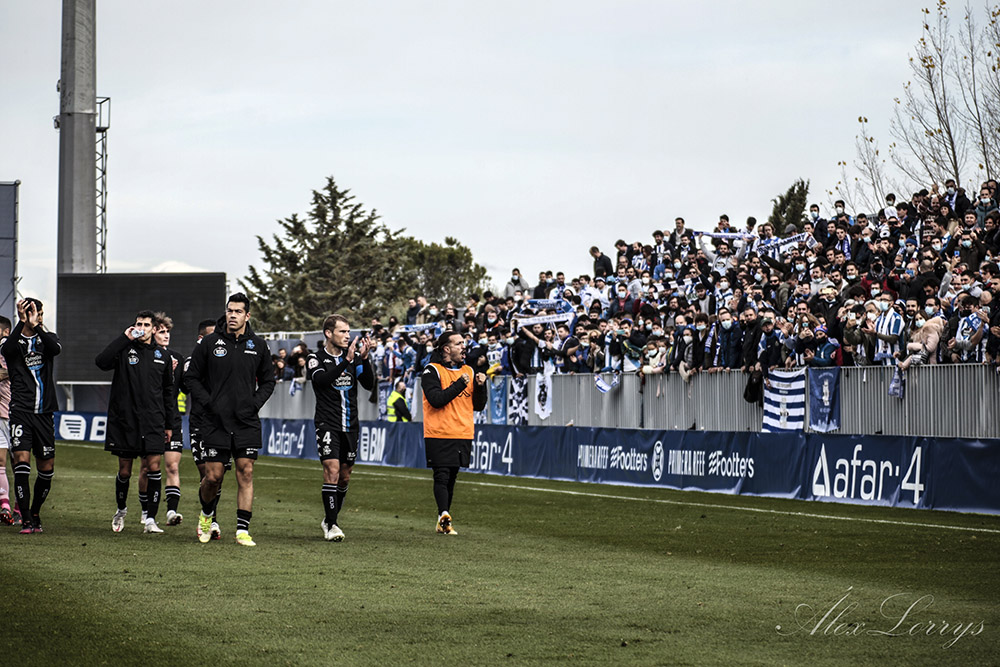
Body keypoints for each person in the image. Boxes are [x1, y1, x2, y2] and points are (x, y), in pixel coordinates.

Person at [184, 294, 275, 546]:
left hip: (246, 421)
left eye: (238, 311)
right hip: (215, 422)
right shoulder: (209, 343)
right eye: (229, 310)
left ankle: (243, 530)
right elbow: (191, 378)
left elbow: (268, 381)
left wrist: (254, 404)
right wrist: (209, 402)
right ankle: (206, 515)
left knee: (246, 472)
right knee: (213, 477)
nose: (232, 315)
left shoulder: (259, 345)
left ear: (247, 315)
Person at [96, 310, 175, 534]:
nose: (142, 328)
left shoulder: (163, 356)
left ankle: (150, 519)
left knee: (153, 468)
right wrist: (125, 337)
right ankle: (121, 510)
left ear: (153, 329)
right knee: (124, 471)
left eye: (146, 325)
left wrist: (168, 425)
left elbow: (168, 393)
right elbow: (101, 362)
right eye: (138, 324)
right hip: (126, 421)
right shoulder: (124, 350)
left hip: (153, 421)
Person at [305, 314, 374, 542]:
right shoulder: (315, 358)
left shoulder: (354, 358)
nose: (347, 336)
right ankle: (332, 525)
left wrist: (365, 359)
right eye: (342, 331)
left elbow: (369, 384)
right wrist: (347, 361)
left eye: (348, 331)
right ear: (328, 333)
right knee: (332, 470)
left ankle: (329, 519)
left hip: (351, 425)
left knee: (344, 477)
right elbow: (321, 381)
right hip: (327, 423)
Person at [1, 298, 61, 534]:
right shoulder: (12, 341)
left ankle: (35, 512)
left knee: (46, 468)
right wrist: (22, 321)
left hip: (44, 413)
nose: (39, 316)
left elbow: (55, 349)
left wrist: (36, 326)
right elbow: (6, 351)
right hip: (21, 412)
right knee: (21, 462)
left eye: (41, 313)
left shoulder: (48, 338)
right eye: (35, 313)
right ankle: (25, 518)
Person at [421, 331, 487, 535]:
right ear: (447, 349)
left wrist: (481, 387)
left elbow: (478, 405)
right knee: (441, 475)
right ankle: (443, 514)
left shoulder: (469, 370)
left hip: (462, 432)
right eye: (459, 343)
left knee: (451, 477)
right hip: (439, 432)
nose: (463, 347)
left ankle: (443, 518)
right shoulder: (432, 370)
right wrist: (460, 384)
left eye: (464, 343)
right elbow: (436, 400)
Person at [182, 318, 226, 540]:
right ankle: (209, 518)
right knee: (206, 474)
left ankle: (210, 516)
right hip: (200, 422)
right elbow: (186, 385)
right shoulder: (192, 361)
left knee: (218, 476)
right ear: (201, 339)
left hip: (223, 424)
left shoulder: (226, 358)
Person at [153, 314, 186, 526]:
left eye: (167, 332)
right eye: (161, 332)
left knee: (172, 467)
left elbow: (186, 386)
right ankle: (148, 513)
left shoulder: (177, 358)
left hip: (172, 419)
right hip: (151, 419)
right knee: (149, 468)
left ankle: (171, 512)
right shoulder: (145, 357)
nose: (166, 335)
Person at [0, 316, 14, 525]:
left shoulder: (10, 349)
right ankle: (5, 506)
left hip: (16, 414)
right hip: (0, 415)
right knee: (1, 462)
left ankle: (19, 508)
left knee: (18, 462)